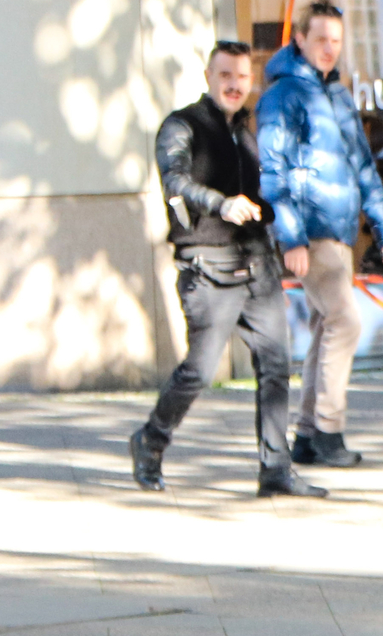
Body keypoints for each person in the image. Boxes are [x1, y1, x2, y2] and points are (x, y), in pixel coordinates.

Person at [129, 41, 314, 497]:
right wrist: (221, 204)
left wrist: (286, 232)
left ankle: (275, 472)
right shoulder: (183, 126)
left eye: (242, 76)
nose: (234, 84)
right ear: (209, 77)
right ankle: (150, 440)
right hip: (207, 267)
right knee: (200, 368)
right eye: (225, 75)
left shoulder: (249, 131)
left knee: (275, 366)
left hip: (258, 266)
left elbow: (271, 192)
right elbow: (174, 179)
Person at [258, 0, 383, 471]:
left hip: (339, 232)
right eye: (320, 38)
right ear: (299, 39)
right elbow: (273, 173)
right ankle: (327, 430)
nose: (329, 48)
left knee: (328, 326)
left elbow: (364, 167)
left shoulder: (338, 96)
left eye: (336, 41)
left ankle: (307, 435)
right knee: (346, 321)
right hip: (313, 232)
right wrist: (292, 238)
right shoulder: (283, 95)